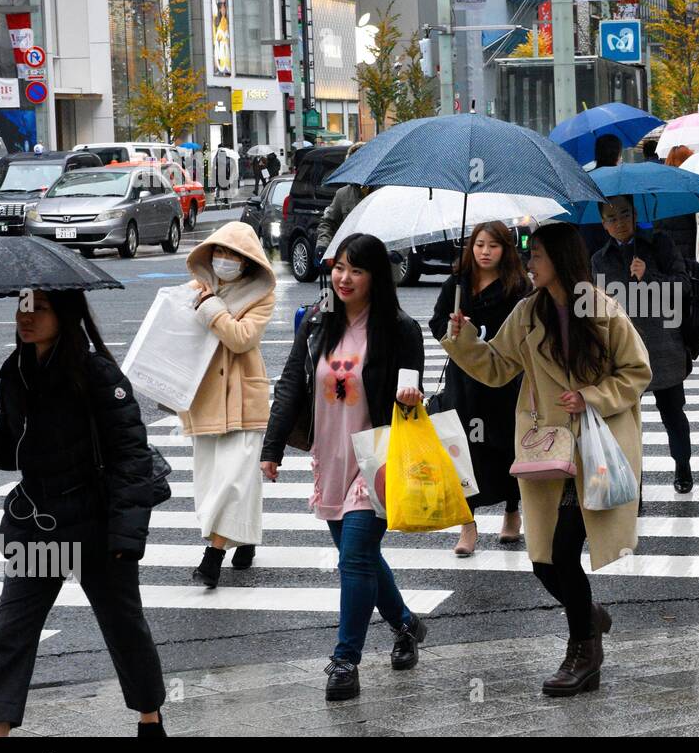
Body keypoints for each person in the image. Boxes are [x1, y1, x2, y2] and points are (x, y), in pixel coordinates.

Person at [442, 223, 651, 697]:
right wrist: (465, 340)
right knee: (541, 560)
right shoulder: (528, 313)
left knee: (562, 550)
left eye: (536, 255)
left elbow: (638, 371)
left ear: (560, 258)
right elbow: (496, 368)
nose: (529, 263)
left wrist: (594, 396)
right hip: (546, 449)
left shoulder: (600, 310)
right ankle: (589, 615)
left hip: (595, 449)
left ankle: (583, 651)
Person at [0, 291, 166, 737]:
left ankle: (149, 717)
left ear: (64, 314)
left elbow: (131, 457)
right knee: (12, 631)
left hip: (96, 526)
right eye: (22, 305)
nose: (26, 316)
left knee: (124, 627)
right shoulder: (16, 373)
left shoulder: (97, 374)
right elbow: (13, 452)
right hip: (37, 525)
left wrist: (126, 538)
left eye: (39, 307)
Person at [261, 233, 428, 702]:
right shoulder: (318, 321)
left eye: (356, 269)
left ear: (376, 276)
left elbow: (413, 397)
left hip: (376, 456)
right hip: (329, 455)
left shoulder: (399, 329)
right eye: (339, 268)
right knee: (364, 559)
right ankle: (407, 625)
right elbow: (292, 383)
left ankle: (344, 661)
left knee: (353, 556)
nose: (344, 278)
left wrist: (410, 397)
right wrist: (271, 448)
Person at [428, 222, 531, 556]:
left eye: (494, 246)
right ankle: (467, 524)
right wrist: (454, 328)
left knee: (507, 447)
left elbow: (525, 331)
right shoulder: (458, 283)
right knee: (464, 452)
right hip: (464, 380)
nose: (485, 252)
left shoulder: (518, 286)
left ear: (506, 250)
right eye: (479, 245)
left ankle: (512, 512)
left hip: (503, 380)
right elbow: (436, 322)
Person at [184, 223, 277, 587]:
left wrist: (211, 308)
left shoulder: (260, 295)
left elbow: (241, 339)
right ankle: (246, 536)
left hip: (245, 396)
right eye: (219, 252)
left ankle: (213, 556)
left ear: (248, 261)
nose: (224, 260)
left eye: (234, 255)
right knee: (217, 480)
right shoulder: (195, 289)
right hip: (205, 398)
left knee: (234, 478)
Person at [592, 196, 693, 493]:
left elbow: (683, 287)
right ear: (603, 225)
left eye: (624, 214)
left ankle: (683, 465)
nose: (619, 222)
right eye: (611, 218)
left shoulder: (660, 244)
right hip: (622, 351)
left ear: (635, 215)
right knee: (625, 421)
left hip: (663, 345)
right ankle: (632, 481)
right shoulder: (599, 259)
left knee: (672, 412)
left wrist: (648, 275)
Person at [316, 183, 378, 258]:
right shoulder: (343, 193)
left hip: (376, 254)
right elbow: (328, 222)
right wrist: (323, 244)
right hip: (348, 254)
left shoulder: (384, 193)